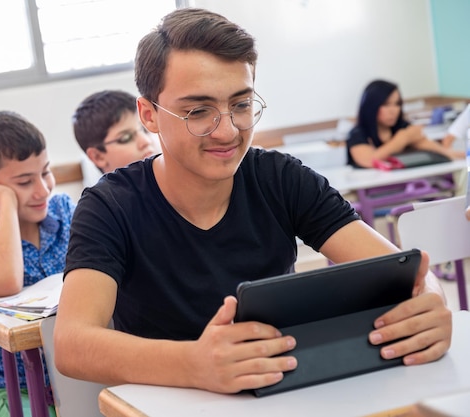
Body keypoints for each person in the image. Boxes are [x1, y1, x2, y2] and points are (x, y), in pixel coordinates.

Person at [54, 8, 452, 395]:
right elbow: (73, 344)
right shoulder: (110, 206)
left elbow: (403, 271)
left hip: (278, 395)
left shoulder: (279, 178)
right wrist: (194, 363)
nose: (227, 131)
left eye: (241, 105)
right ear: (149, 114)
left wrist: (431, 298)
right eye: (198, 111)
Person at [0, 111, 75, 416]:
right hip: (7, 386)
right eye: (23, 182)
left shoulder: (65, 212)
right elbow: (6, 283)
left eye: (45, 173)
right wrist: (5, 204)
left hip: (75, 375)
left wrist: (14, 193)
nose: (43, 190)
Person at [346, 79, 465, 168]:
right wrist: (402, 138)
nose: (393, 110)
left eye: (397, 104)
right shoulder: (357, 134)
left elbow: (423, 142)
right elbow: (370, 161)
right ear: (371, 106)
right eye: (386, 104)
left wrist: (452, 154)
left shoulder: (401, 127)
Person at [72, 89, 158, 185]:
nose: (146, 141)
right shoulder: (106, 199)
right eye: (126, 138)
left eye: (144, 129)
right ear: (98, 157)